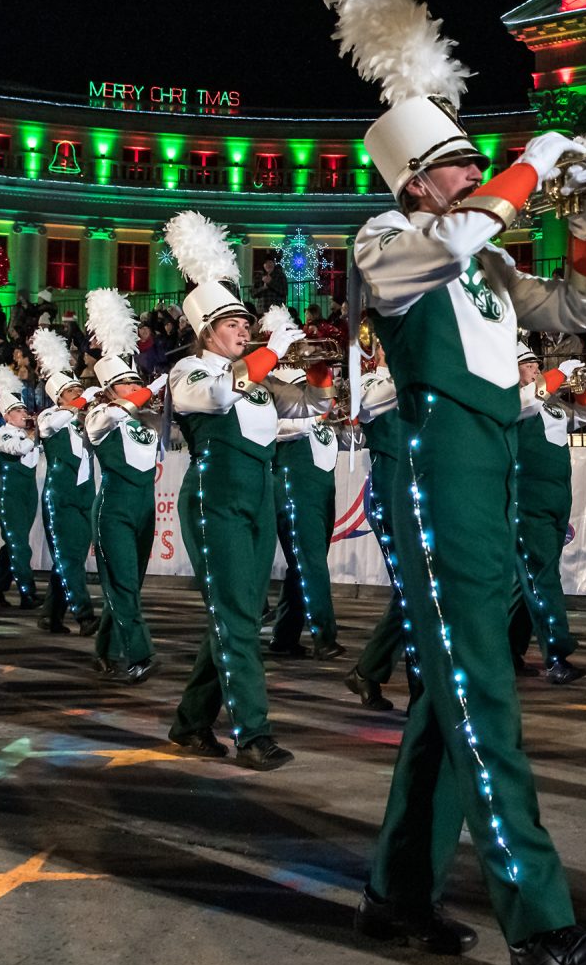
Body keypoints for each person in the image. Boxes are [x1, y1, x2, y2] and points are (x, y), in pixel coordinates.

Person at [332, 0, 586, 965]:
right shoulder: (387, 238)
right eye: (461, 163)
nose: (477, 171)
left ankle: (397, 891)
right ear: (417, 181)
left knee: (449, 694)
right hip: (436, 463)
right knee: (479, 693)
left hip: (490, 463)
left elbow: (581, 318)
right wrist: (535, 165)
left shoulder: (484, 261)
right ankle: (537, 920)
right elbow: (462, 231)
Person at [162, 212, 324, 769]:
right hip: (216, 499)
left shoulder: (255, 378)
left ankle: (190, 723)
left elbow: (311, 409)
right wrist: (270, 355)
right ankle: (253, 732)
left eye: (245, 323)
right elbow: (216, 398)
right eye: (233, 325)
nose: (244, 330)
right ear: (207, 332)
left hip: (257, 496)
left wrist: (315, 369)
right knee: (235, 616)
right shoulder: (187, 371)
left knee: (243, 612)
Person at [81, 290, 160, 684]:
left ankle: (105, 650)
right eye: (127, 384)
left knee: (128, 586)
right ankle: (139, 653)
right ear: (111, 389)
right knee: (124, 584)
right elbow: (115, 413)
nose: (135, 388)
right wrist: (150, 390)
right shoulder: (100, 416)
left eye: (136, 382)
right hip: (114, 510)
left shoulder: (142, 420)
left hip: (146, 508)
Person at [507, 344, 586, 684]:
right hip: (529, 500)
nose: (535, 368)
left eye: (537, 363)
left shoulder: (549, 405)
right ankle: (556, 655)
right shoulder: (513, 401)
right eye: (527, 364)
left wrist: (581, 387)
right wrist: (561, 373)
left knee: (528, 581)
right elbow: (532, 397)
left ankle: (508, 651)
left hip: (557, 498)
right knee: (542, 578)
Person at [342, 342, 413, 713]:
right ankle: (370, 671)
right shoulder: (368, 382)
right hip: (389, 492)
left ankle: (371, 672)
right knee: (412, 593)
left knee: (421, 594)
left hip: (423, 490)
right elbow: (370, 406)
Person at [269, 369, 345, 661]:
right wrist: (317, 413)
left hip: (322, 488)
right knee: (310, 562)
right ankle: (324, 636)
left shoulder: (317, 417)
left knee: (303, 564)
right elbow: (277, 428)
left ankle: (285, 635)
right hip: (295, 484)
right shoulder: (284, 412)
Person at [29, 328, 97, 637]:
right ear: (59, 397)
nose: (78, 394)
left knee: (70, 559)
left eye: (78, 389)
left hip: (85, 496)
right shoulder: (50, 417)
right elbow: (49, 425)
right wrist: (80, 402)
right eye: (71, 392)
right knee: (69, 559)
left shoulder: (83, 423)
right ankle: (85, 614)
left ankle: (50, 614)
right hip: (62, 496)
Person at [0, 365, 42, 609]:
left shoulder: (29, 433)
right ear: (7, 416)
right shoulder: (2, 434)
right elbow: (18, 449)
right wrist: (32, 433)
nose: (23, 413)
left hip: (28, 491)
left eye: (23, 409)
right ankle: (27, 592)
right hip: (10, 493)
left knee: (15, 542)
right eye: (17, 410)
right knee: (19, 543)